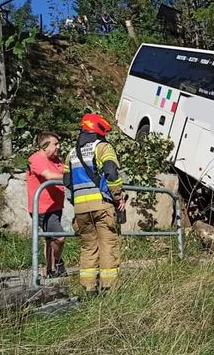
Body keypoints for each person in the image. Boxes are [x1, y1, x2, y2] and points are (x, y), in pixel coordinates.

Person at [63, 113, 126, 293]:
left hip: (80, 209)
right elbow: (111, 172)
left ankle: (88, 289)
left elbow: (67, 183)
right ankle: (108, 289)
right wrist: (118, 197)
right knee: (108, 245)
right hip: (102, 205)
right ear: (100, 130)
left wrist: (76, 202)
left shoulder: (71, 153)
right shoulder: (103, 148)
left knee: (88, 247)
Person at [26, 131, 66, 278]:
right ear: (44, 146)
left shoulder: (56, 160)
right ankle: (58, 262)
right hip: (43, 208)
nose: (58, 147)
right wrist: (71, 178)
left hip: (56, 206)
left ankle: (50, 269)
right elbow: (48, 175)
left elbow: (65, 172)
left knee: (50, 239)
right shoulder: (36, 159)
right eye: (55, 144)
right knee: (59, 237)